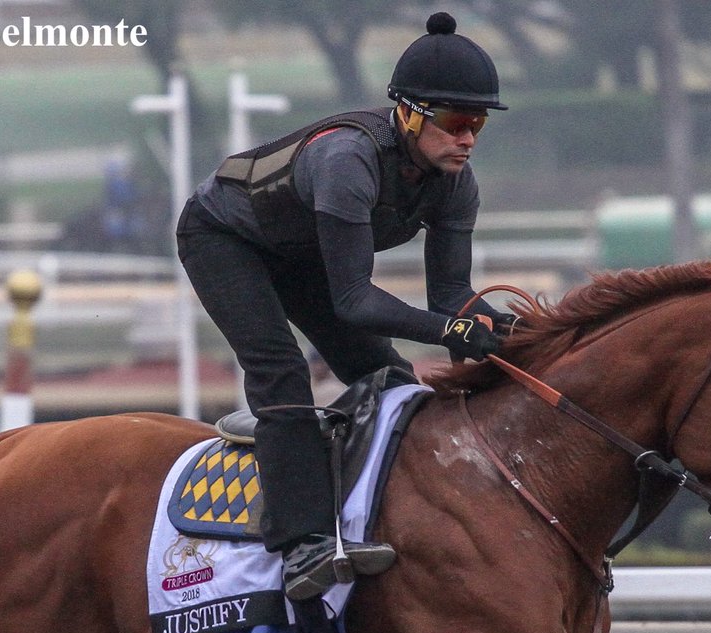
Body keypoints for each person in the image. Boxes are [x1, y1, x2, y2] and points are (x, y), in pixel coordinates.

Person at [177, 12, 516, 601]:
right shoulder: (348, 159)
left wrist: (506, 329)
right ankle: (301, 545)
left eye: (478, 124)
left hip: (300, 250)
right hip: (224, 239)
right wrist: (451, 331)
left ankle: (394, 516)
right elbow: (355, 301)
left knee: (390, 378)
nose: (467, 140)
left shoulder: (456, 184)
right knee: (281, 370)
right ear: (409, 114)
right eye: (456, 122)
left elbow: (451, 298)